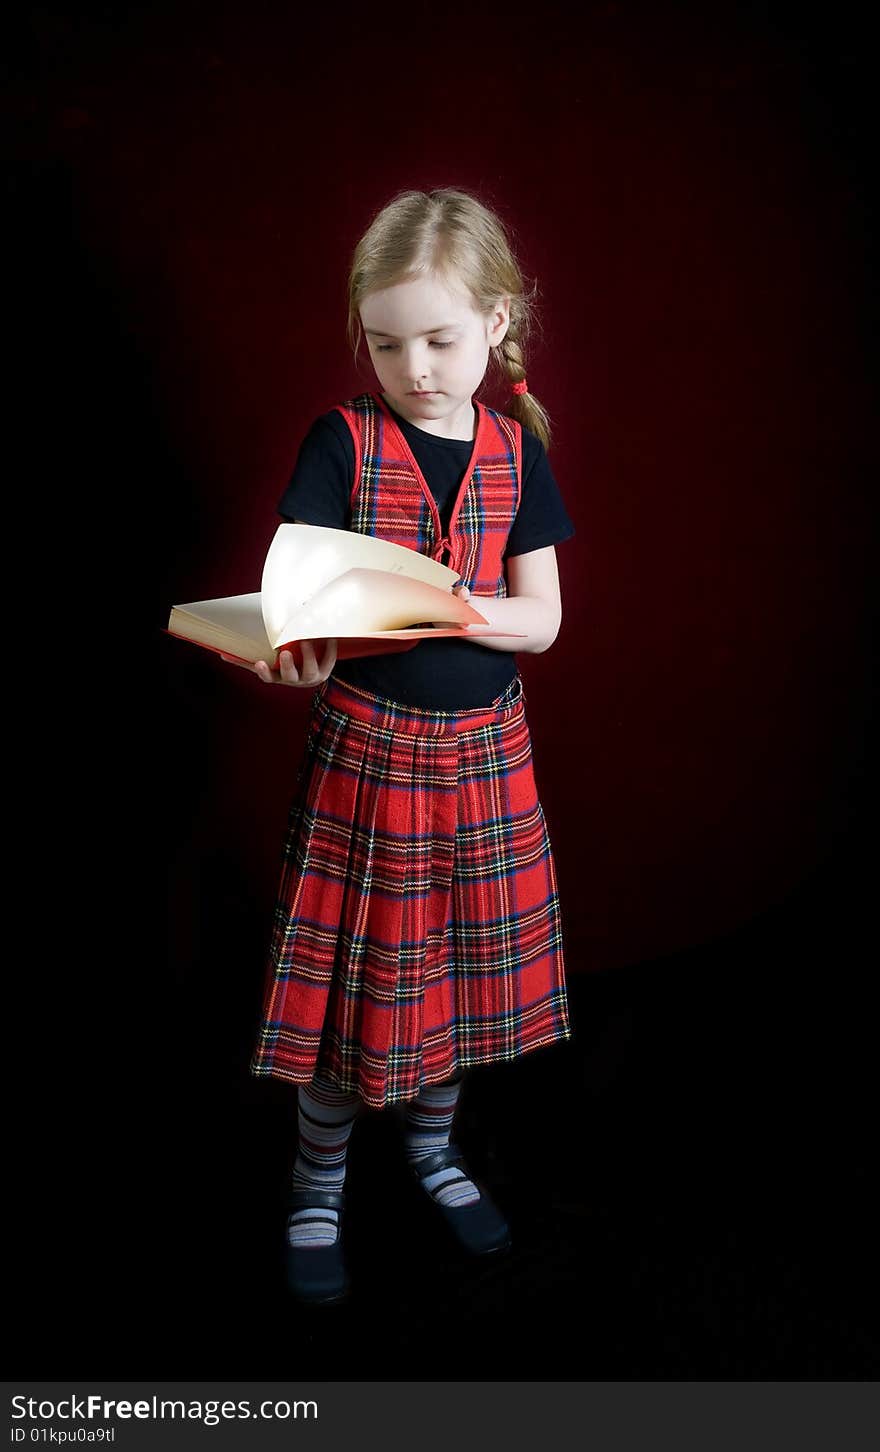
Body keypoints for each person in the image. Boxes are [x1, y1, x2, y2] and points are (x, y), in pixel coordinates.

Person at [225, 187, 576, 1304]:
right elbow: (300, 595)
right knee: (350, 996)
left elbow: (542, 620)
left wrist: (441, 606)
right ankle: (317, 1183)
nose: (413, 366)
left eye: (438, 337)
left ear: (496, 324)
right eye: (386, 343)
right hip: (368, 762)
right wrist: (300, 648)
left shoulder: (519, 455)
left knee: (460, 987)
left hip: (483, 758)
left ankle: (432, 1153)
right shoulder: (342, 441)